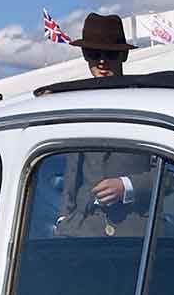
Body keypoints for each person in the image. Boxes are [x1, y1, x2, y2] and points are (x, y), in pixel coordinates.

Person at [53, 13, 154, 236]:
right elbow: (71, 173)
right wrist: (62, 220)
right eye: (93, 53)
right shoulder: (76, 108)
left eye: (110, 54)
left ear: (124, 55)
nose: (101, 61)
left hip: (137, 234)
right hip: (81, 230)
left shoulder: (148, 107)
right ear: (85, 56)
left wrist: (126, 186)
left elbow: (172, 176)